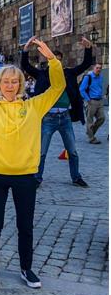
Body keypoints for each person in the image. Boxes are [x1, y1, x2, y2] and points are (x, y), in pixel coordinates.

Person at [0, 37, 65, 290]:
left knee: (25, 226)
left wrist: (52, 60)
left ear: (20, 84)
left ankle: (26, 268)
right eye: (5, 81)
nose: (10, 85)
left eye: (14, 81)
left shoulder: (34, 106)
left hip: (25, 177)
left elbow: (57, 88)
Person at [22, 36, 92, 188]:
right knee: (41, 152)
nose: (56, 62)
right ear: (48, 61)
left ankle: (76, 177)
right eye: (53, 59)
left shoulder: (68, 73)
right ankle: (37, 178)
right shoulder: (42, 74)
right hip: (48, 117)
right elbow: (26, 66)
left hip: (65, 117)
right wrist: (25, 50)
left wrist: (88, 48)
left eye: (58, 59)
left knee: (72, 151)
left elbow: (86, 64)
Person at [80, 63, 105, 144]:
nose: (99, 69)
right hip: (91, 101)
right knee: (89, 120)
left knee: (102, 118)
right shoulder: (88, 77)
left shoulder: (100, 77)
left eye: (100, 68)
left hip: (100, 101)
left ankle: (90, 131)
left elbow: (100, 87)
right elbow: (82, 89)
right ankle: (91, 138)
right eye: (97, 68)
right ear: (94, 68)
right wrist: (88, 99)